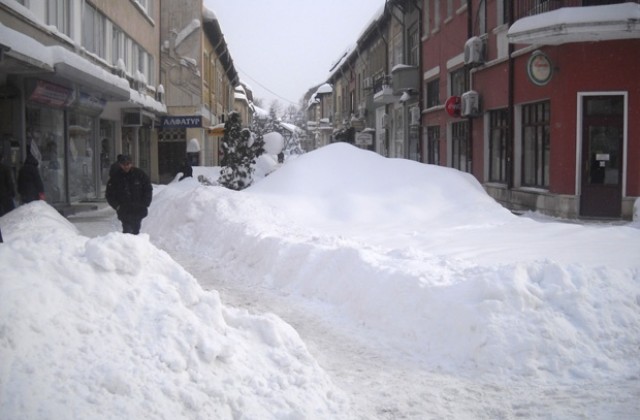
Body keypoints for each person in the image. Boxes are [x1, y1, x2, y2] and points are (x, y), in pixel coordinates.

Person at [106, 154, 152, 235]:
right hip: (124, 210)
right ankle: (128, 245)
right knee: (127, 231)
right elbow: (109, 194)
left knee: (136, 230)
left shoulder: (139, 174)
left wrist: (145, 203)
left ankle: (134, 246)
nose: (126, 166)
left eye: (128, 164)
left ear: (131, 163)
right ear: (120, 164)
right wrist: (117, 206)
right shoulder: (116, 177)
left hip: (138, 209)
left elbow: (148, 189)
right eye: (124, 164)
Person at [0, 150, 16, 216]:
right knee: (8, 214)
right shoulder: (5, 169)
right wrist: (12, 193)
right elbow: (9, 182)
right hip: (4, 195)